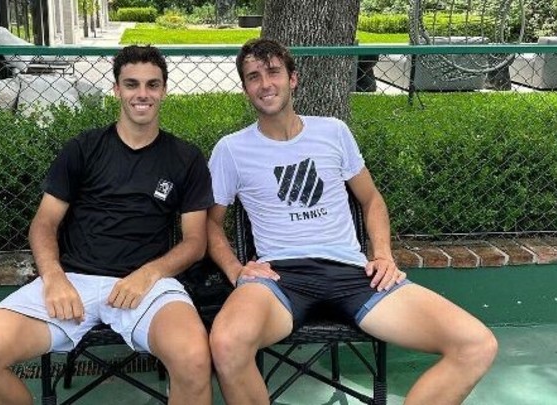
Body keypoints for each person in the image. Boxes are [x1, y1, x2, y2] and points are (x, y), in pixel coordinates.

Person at [206, 38, 498, 405]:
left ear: (293, 79)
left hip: (352, 274)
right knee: (227, 343)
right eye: (253, 77)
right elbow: (210, 223)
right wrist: (235, 270)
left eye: (274, 72)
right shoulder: (231, 150)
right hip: (280, 279)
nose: (265, 84)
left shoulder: (333, 132)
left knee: (476, 344)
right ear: (246, 87)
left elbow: (371, 199)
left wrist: (383, 255)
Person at [0, 45, 214, 405]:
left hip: (146, 285)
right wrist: (54, 277)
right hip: (74, 283)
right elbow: (43, 224)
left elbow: (195, 242)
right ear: (116, 90)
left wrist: (150, 273)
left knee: (194, 360)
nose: (142, 94)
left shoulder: (186, 157)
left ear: (164, 90)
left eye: (152, 85)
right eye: (132, 84)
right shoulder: (83, 148)